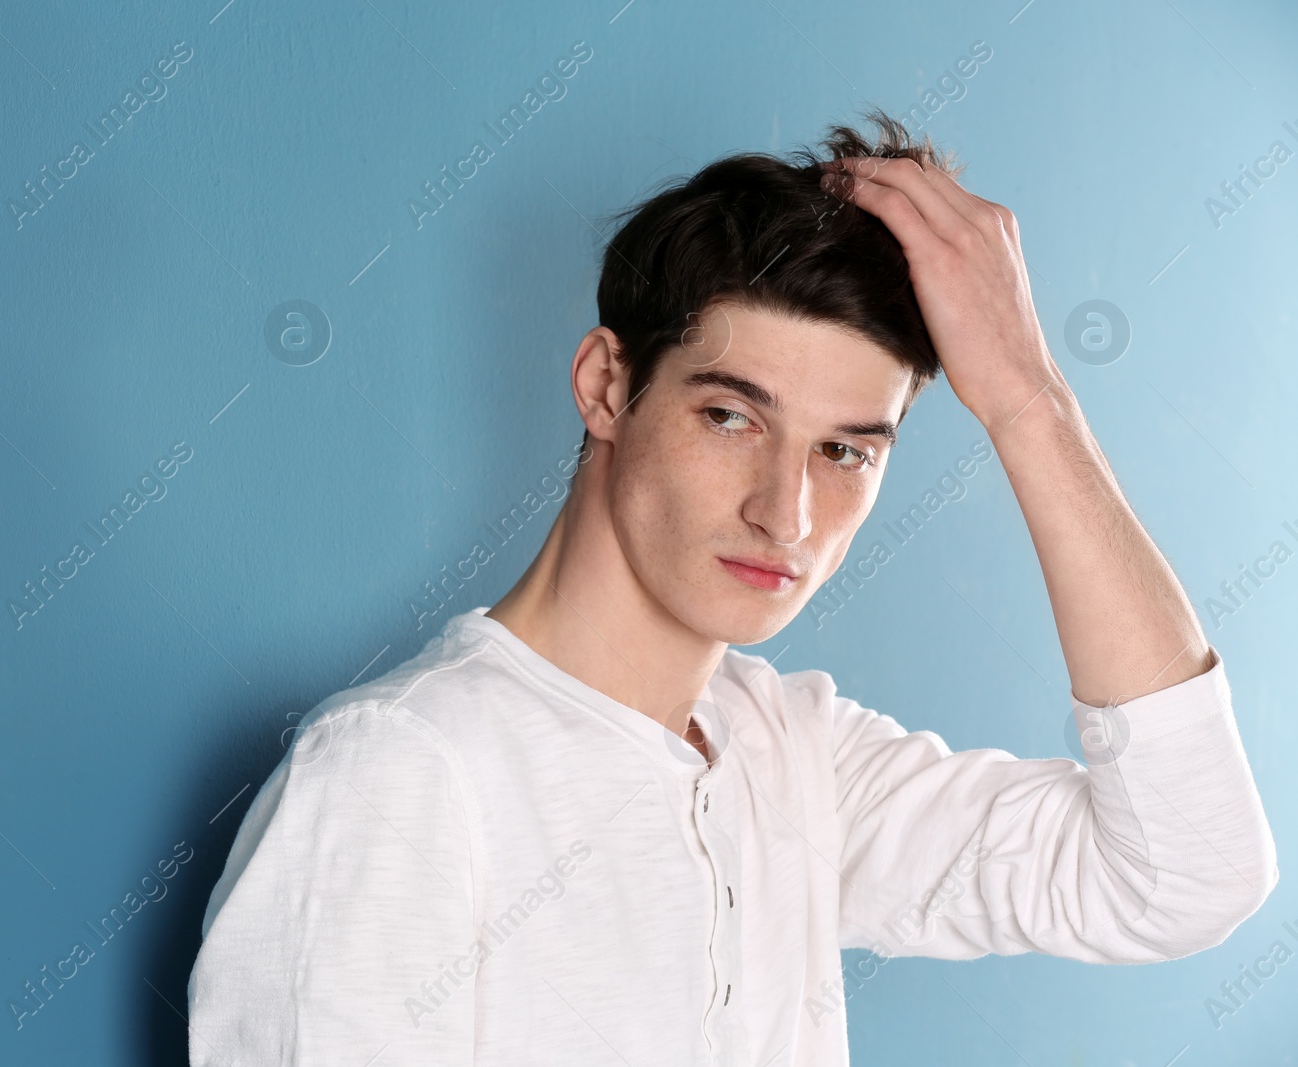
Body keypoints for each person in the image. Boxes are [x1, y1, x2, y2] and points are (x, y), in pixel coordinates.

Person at [184, 108, 1278, 1066]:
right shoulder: (400, 773)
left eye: (845, 451)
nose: (785, 513)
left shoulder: (794, 760)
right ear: (607, 385)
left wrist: (1028, 401)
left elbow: (1185, 872)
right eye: (730, 416)